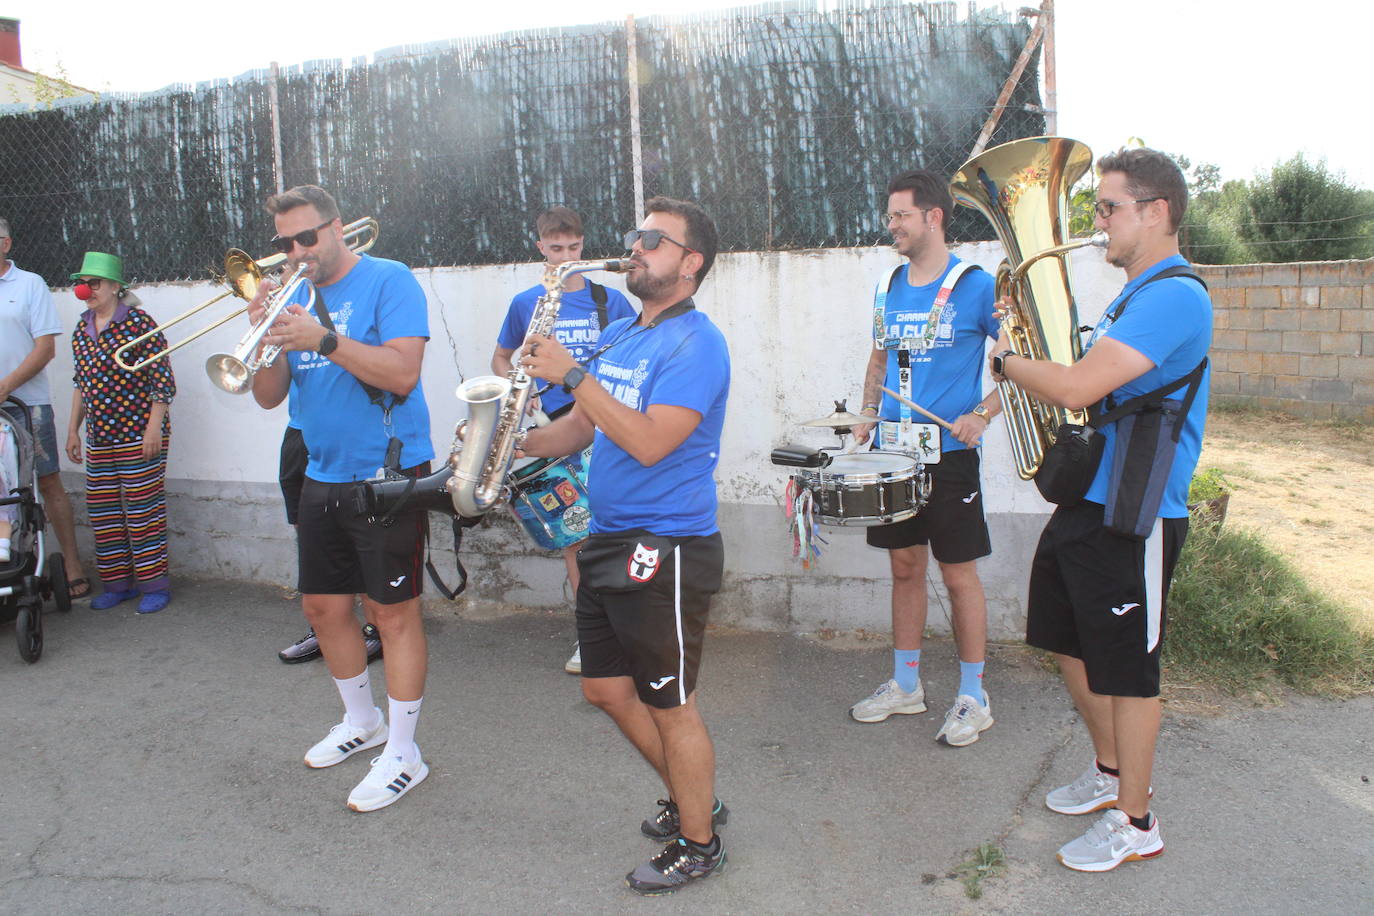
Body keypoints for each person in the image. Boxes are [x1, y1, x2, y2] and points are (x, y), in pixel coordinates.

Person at [989, 148, 1211, 872]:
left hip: (1135, 509)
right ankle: (1111, 773)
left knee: (1128, 669)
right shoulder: (1133, 297)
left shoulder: (1175, 296)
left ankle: (1136, 819)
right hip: (1093, 499)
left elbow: (1079, 387)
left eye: (1108, 207)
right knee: (1067, 639)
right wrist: (1023, 333)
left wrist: (1006, 361)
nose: (1097, 223)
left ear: (1156, 212)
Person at [519, 196, 730, 895]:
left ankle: (700, 841)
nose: (636, 248)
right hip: (608, 538)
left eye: (655, 241)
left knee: (672, 703)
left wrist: (572, 373)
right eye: (637, 237)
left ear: (690, 262)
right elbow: (581, 429)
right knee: (608, 688)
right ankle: (691, 791)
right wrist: (508, 444)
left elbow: (646, 441)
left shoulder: (698, 344)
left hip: (665, 548)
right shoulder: (621, 335)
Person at [248, 184, 434, 812]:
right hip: (322, 471)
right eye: (284, 243)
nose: (296, 252)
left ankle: (405, 751)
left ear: (337, 230)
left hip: (387, 471)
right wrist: (267, 338)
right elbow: (269, 397)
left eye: (307, 237)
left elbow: (403, 374)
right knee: (324, 609)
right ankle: (363, 720)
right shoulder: (293, 298)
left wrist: (322, 339)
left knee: (393, 613)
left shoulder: (389, 279)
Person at [849, 169, 1003, 746]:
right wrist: (868, 413)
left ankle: (972, 695)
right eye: (890, 217)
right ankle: (906, 685)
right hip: (895, 452)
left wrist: (983, 413)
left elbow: (1015, 365)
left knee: (959, 575)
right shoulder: (889, 285)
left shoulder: (977, 285)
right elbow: (878, 361)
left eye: (900, 217)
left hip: (950, 455)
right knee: (905, 568)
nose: (892, 226)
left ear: (933, 217)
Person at [491, 206, 634, 674]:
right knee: (576, 537)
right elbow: (502, 359)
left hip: (607, 426)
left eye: (574, 248)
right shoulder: (525, 304)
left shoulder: (608, 299)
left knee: (620, 533)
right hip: (558, 427)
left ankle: (630, 630)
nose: (567, 256)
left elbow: (635, 354)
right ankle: (589, 635)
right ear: (540, 249)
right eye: (557, 249)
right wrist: (522, 384)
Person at [65, 252, 174, 613]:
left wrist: (153, 428)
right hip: (100, 438)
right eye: (84, 283)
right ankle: (118, 584)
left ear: (115, 286)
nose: (86, 289)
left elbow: (162, 381)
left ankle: (155, 585)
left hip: (138, 435)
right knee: (104, 512)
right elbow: (81, 383)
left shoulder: (140, 323)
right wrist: (73, 431)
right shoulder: (82, 328)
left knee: (143, 512)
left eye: (95, 283)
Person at [0, 218, 89, 594]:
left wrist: (5, 385)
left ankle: (70, 564)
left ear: (5, 244)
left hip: (26, 403)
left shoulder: (30, 284)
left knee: (47, 481)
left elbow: (45, 348)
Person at [275, 385, 383, 666]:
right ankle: (324, 627)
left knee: (359, 536)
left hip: (346, 435)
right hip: (299, 431)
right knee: (310, 534)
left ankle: (375, 632)